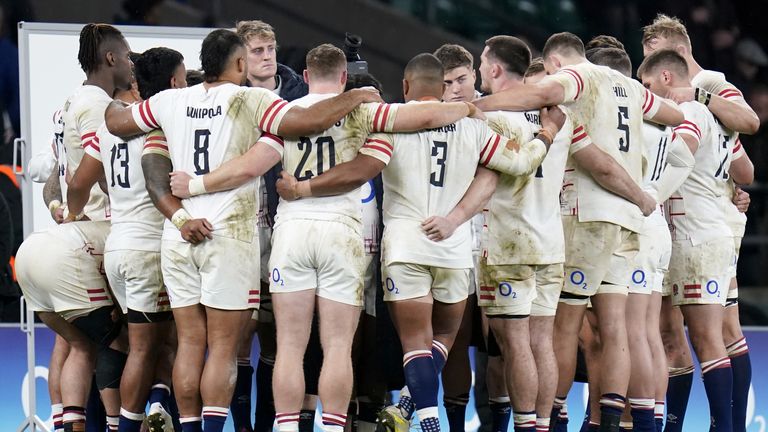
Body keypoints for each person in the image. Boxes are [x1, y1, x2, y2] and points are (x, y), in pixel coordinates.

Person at [167, 42, 481, 432]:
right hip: (340, 235)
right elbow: (425, 115)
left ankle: (286, 427)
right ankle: (332, 427)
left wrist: (196, 185)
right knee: (337, 347)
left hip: (293, 233)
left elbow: (250, 167)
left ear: (308, 76)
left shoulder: (286, 114)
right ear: (345, 77)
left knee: (291, 347)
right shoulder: (365, 110)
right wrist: (466, 107)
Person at [101, 28, 387, 432]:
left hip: (179, 232)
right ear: (239, 64)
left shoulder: (169, 100)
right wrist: (357, 94)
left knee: (189, 344)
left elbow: (115, 121)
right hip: (226, 233)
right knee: (222, 349)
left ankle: (189, 426)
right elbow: (304, 120)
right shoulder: (253, 99)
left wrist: (108, 99)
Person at [275, 52, 561, 432]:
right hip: (454, 245)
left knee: (413, 344)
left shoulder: (391, 128)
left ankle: (424, 420)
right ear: (443, 88)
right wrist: (547, 134)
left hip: (406, 244)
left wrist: (303, 187)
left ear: (406, 86)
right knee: (444, 337)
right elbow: (521, 163)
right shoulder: (475, 127)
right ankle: (418, 413)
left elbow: (362, 169)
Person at [473, 32, 683, 431]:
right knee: (616, 325)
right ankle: (609, 422)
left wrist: (478, 105)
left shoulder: (579, 76)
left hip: (588, 213)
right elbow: (674, 116)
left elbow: (537, 96)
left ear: (554, 63)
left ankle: (553, 417)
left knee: (563, 326)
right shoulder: (632, 88)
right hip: (628, 220)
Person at [641, 15, 760, 431]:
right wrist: (727, 176)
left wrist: (645, 195)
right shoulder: (683, 104)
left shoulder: (708, 84)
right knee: (707, 332)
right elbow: (746, 169)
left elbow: (750, 121)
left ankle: (722, 426)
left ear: (670, 49)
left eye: (650, 57)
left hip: (697, 228)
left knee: (708, 333)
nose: (648, 76)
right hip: (707, 224)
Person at [66, 47, 188, 432]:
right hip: (148, 248)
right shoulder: (163, 125)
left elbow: (83, 181)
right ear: (171, 83)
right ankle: (137, 420)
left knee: (137, 341)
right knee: (149, 346)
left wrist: (69, 213)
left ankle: (154, 407)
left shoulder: (108, 127)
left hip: (117, 245)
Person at [232, 20, 310, 432]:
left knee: (278, 334)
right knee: (240, 334)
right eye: (258, 50)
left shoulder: (299, 95)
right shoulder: (228, 97)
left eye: (271, 48)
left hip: (285, 227)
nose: (268, 57)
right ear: (241, 57)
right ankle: (242, 424)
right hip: (240, 228)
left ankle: (267, 423)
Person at [432, 42, 491, 432]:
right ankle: (455, 425)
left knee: (497, 349)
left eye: (462, 79)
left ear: (475, 75)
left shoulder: (499, 113)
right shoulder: (428, 118)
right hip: (449, 242)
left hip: (493, 244)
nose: (455, 88)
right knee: (451, 342)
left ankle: (495, 423)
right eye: (447, 82)